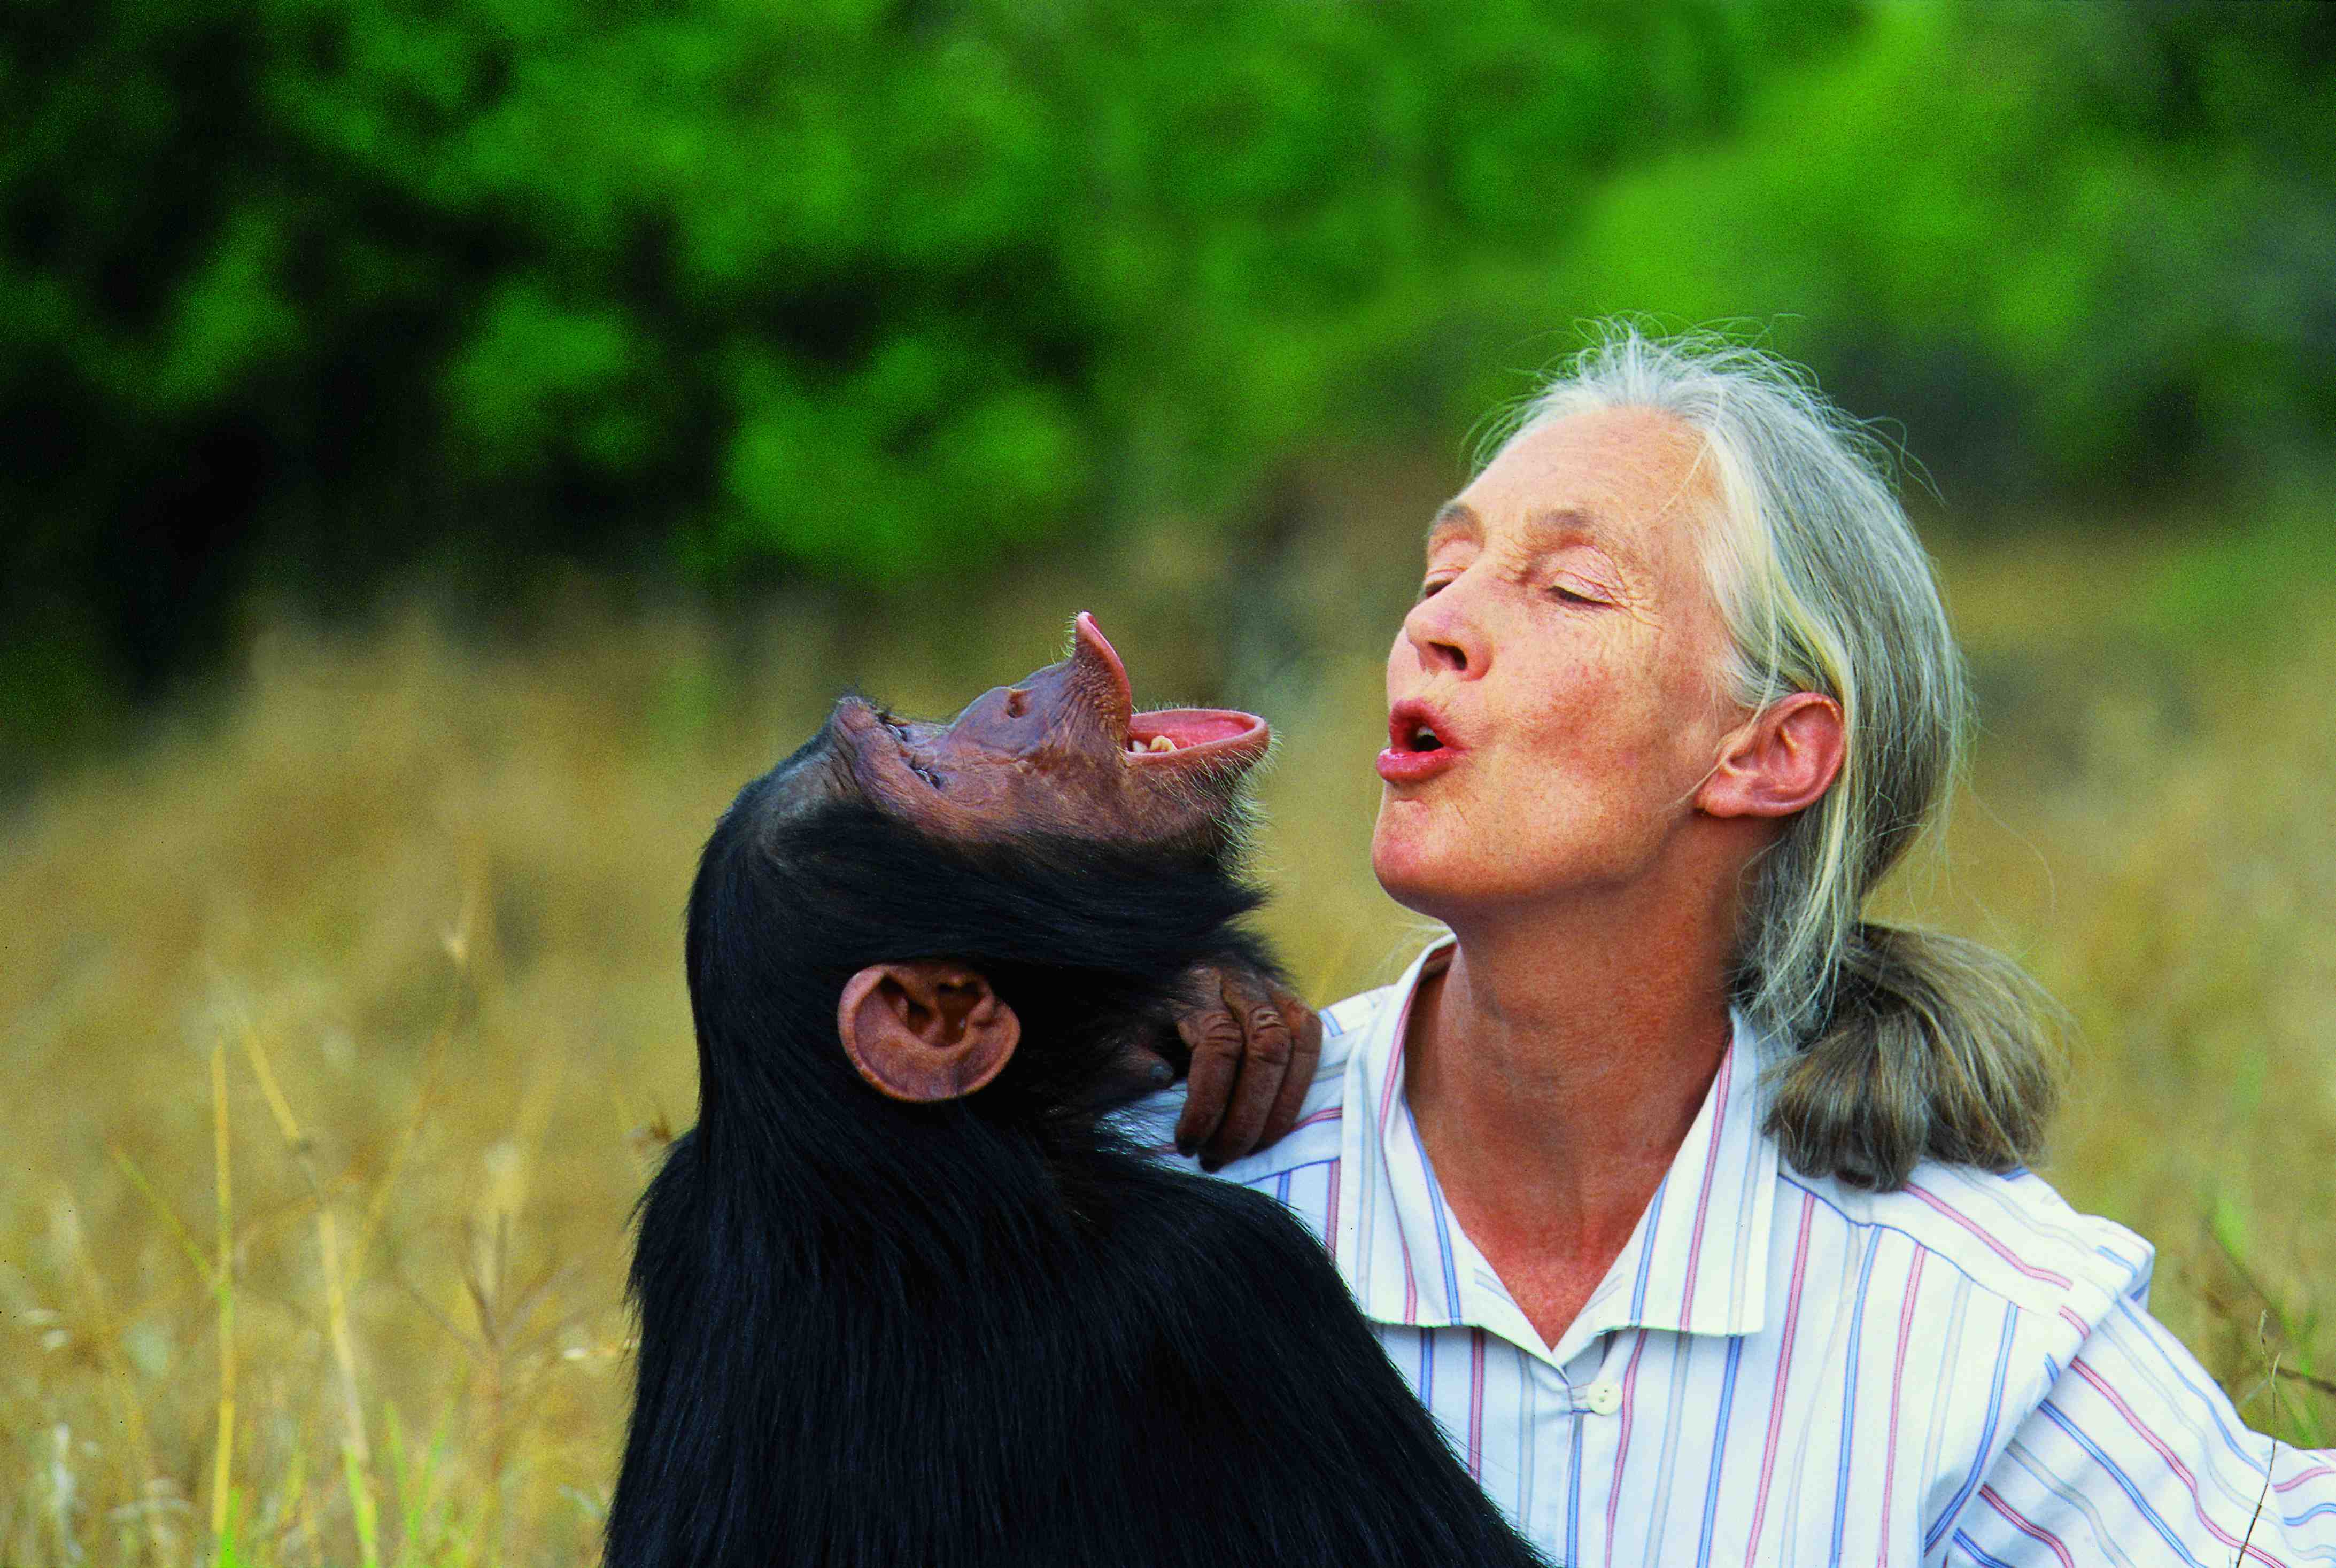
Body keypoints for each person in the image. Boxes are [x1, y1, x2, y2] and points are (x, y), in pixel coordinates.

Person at [1132, 327, 2336, 1565]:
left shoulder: (1977, 1325)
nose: (1434, 628)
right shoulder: (1163, 1185)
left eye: (1568, 589)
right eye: (1441, 572)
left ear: (1767, 753)